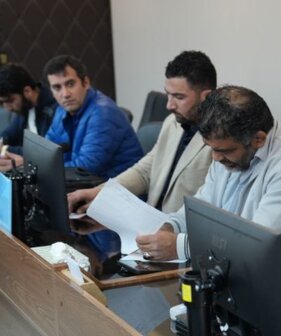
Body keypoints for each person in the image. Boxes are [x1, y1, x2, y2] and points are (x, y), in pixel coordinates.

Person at [138, 85, 281, 262]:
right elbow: (201, 208)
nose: (215, 158)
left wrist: (180, 247)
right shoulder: (227, 147)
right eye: (211, 148)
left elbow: (255, 245)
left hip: (271, 279)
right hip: (221, 268)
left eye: (223, 151)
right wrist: (170, 227)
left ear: (258, 139)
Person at [68, 50, 216, 215]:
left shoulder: (221, 142)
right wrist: (99, 193)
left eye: (179, 97)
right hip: (149, 220)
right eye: (168, 95)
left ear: (207, 97)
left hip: (180, 228)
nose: (169, 105)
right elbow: (145, 172)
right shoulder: (172, 122)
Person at [42, 55, 143, 179]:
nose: (65, 94)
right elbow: (47, 151)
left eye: (70, 84)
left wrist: (45, 170)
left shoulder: (103, 114)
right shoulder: (61, 110)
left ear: (86, 83)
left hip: (118, 187)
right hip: (89, 183)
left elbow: (85, 168)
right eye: (57, 88)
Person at [0, 64, 57, 169]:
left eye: (10, 101)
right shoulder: (25, 107)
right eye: (3, 103)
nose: (7, 108)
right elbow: (8, 134)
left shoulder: (53, 109)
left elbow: (44, 151)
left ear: (27, 91)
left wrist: (3, 149)